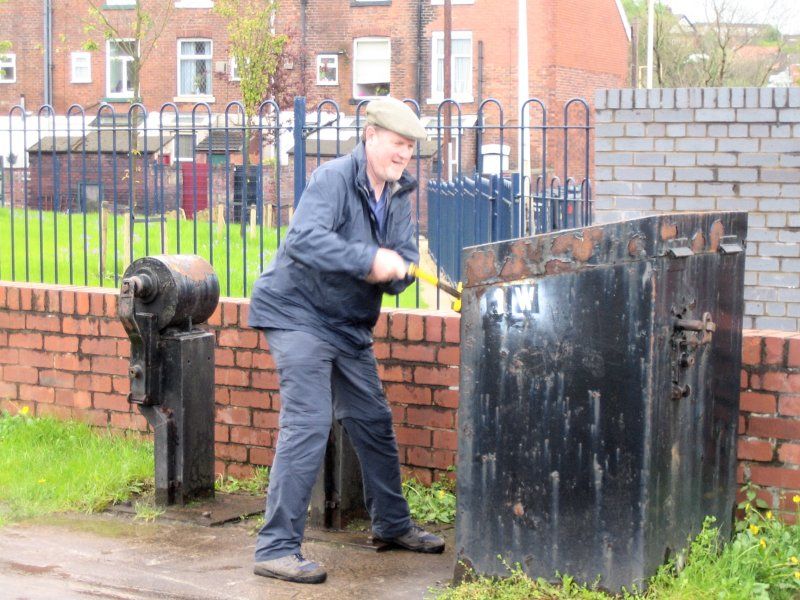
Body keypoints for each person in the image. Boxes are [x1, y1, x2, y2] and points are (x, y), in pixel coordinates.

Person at [247, 96, 445, 584]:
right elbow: (303, 240)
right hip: (296, 313)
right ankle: (275, 547)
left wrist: (396, 272)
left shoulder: (398, 194)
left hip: (346, 324)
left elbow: (396, 262)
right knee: (310, 420)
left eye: (410, 148)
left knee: (373, 421)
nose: (404, 155)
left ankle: (392, 526)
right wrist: (369, 259)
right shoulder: (333, 179)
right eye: (398, 144)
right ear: (371, 136)